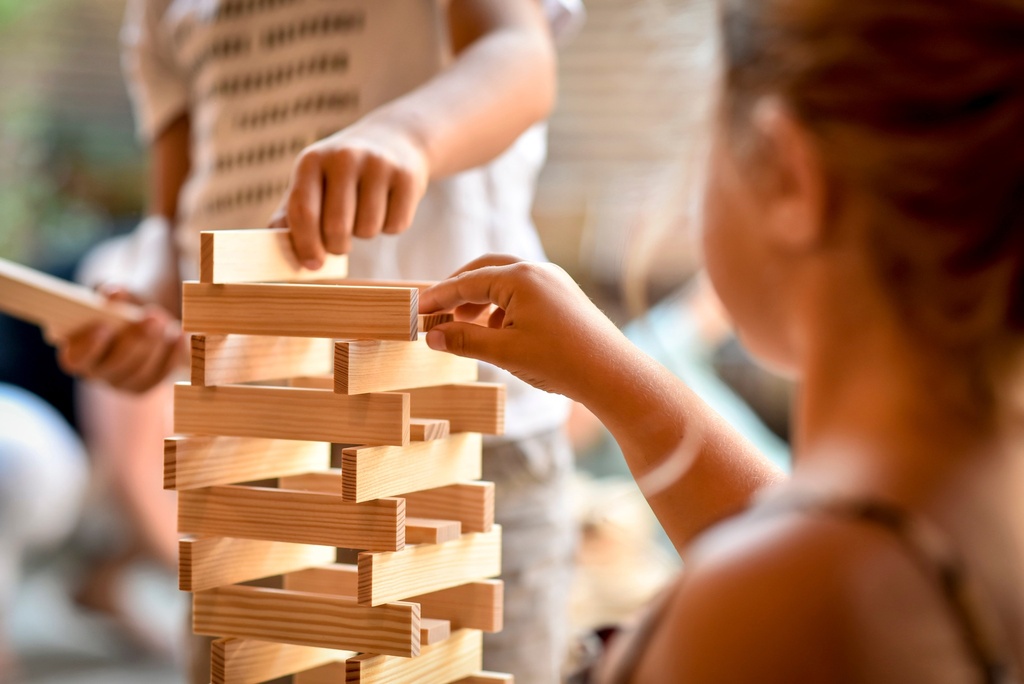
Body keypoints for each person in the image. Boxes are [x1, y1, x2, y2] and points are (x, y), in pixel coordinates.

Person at [418, 0, 1024, 680]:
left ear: (786, 175)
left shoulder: (776, 605)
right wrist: (607, 373)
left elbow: (792, 588)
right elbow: (803, 537)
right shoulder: (971, 503)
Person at [56, 1, 583, 681]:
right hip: (252, 449)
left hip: (459, 442)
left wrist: (408, 136)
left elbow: (520, 54)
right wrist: (149, 293)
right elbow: (174, 209)